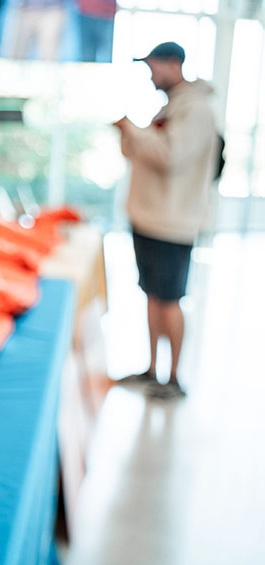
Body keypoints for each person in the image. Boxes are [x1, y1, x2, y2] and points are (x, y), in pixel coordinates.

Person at [114, 42, 218, 399]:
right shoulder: (171, 106)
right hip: (150, 218)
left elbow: (169, 155)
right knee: (153, 296)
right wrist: (128, 133)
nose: (151, 76)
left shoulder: (197, 109)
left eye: (153, 67)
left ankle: (172, 378)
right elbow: (143, 152)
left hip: (173, 224)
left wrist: (132, 129)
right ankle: (151, 369)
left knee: (169, 299)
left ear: (174, 64)